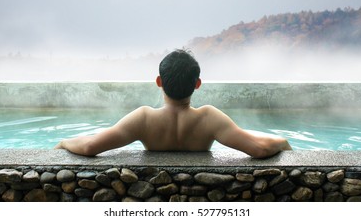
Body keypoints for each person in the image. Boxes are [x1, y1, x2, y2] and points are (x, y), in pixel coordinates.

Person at [55, 49, 292, 158]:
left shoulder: (144, 118)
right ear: (197, 84)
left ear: (158, 81)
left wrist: (65, 142)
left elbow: (89, 147)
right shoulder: (209, 118)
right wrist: (282, 142)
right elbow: (258, 148)